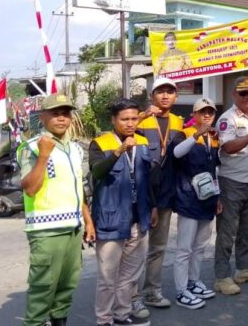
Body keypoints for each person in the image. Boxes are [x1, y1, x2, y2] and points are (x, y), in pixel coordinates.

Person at [17, 94, 95, 326]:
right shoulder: (31, 147)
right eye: (55, 113)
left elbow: (77, 188)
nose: (62, 118)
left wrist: (88, 221)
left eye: (66, 113)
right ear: (42, 117)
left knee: (67, 285)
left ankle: (59, 321)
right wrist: (43, 155)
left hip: (73, 228)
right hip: (46, 230)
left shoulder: (75, 149)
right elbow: (30, 188)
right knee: (43, 287)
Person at [89, 99, 153, 326]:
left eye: (134, 118)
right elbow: (97, 172)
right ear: (113, 120)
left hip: (138, 217)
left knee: (130, 275)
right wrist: (118, 151)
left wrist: (151, 208)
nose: (130, 123)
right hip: (111, 219)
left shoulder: (143, 141)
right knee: (108, 276)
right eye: (124, 119)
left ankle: (121, 314)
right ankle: (104, 319)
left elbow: (147, 179)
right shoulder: (100, 143)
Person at [214, 76, 248, 295]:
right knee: (227, 232)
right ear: (234, 94)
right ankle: (222, 276)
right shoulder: (227, 118)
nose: (247, 97)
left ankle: (244, 268)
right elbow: (227, 147)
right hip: (231, 182)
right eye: (243, 93)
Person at [136, 77, 185, 313]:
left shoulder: (179, 123)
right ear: (152, 95)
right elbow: (119, 132)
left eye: (170, 92)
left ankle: (151, 292)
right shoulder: (142, 120)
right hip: (140, 194)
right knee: (134, 247)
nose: (165, 96)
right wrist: (141, 116)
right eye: (160, 92)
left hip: (165, 194)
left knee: (158, 247)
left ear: (176, 97)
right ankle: (129, 295)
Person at [171, 98, 221, 309]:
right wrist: (196, 135)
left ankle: (193, 282)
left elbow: (214, 169)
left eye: (210, 112)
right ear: (194, 114)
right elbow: (176, 153)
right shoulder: (185, 134)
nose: (207, 115)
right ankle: (181, 291)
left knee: (200, 246)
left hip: (208, 199)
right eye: (203, 112)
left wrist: (219, 197)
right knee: (184, 248)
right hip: (188, 198)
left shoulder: (214, 138)